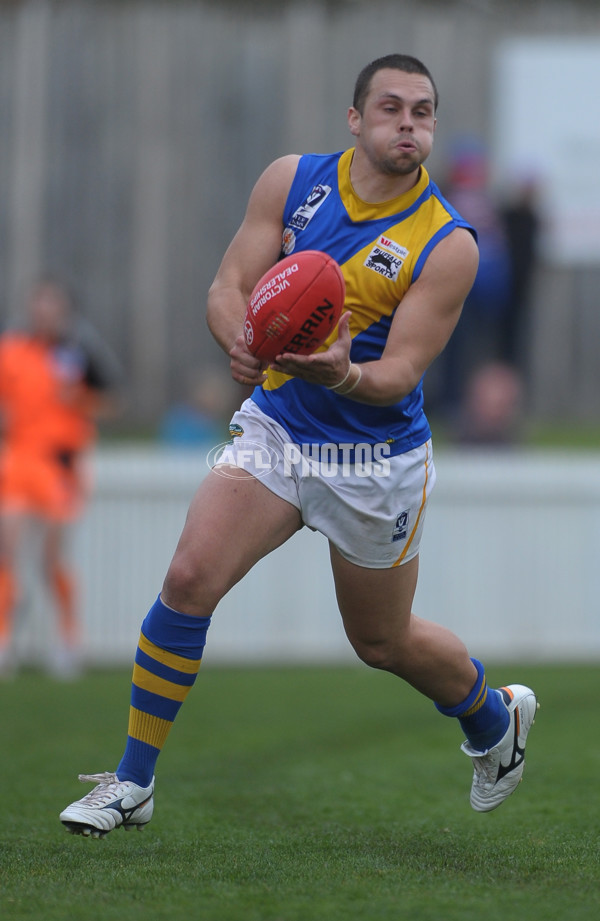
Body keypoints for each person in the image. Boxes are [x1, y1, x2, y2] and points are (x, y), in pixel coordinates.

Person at [59, 54, 538, 836]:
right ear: (355, 119)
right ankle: (133, 782)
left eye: (422, 112)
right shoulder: (292, 180)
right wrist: (238, 344)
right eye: (390, 108)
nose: (407, 124)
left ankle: (493, 716)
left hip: (374, 462)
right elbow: (228, 288)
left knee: (381, 641)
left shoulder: (448, 244)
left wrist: (345, 374)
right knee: (188, 577)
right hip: (280, 428)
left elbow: (400, 372)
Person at [0, 277, 121, 678]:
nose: (45, 312)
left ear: (65, 311)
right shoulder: (12, 350)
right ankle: (4, 642)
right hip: (18, 461)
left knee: (52, 559)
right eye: (39, 304)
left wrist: (81, 401)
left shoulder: (80, 352)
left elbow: (111, 402)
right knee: (8, 549)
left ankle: (67, 640)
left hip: (60, 464)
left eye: (53, 305)